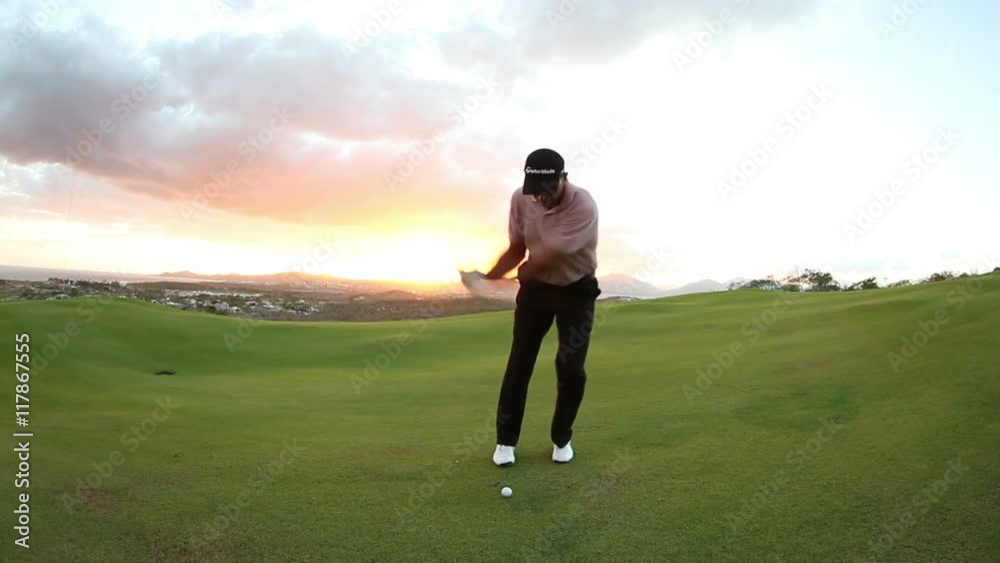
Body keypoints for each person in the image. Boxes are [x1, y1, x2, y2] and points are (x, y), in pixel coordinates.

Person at [480, 147, 601, 466]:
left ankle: (562, 438)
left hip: (576, 291)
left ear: (564, 178)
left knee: (571, 369)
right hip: (535, 292)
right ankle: (505, 441)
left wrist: (511, 275)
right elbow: (518, 247)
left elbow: (553, 251)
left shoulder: (583, 205)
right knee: (519, 363)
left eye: (548, 189)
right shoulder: (522, 199)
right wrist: (489, 276)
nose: (541, 197)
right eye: (535, 191)